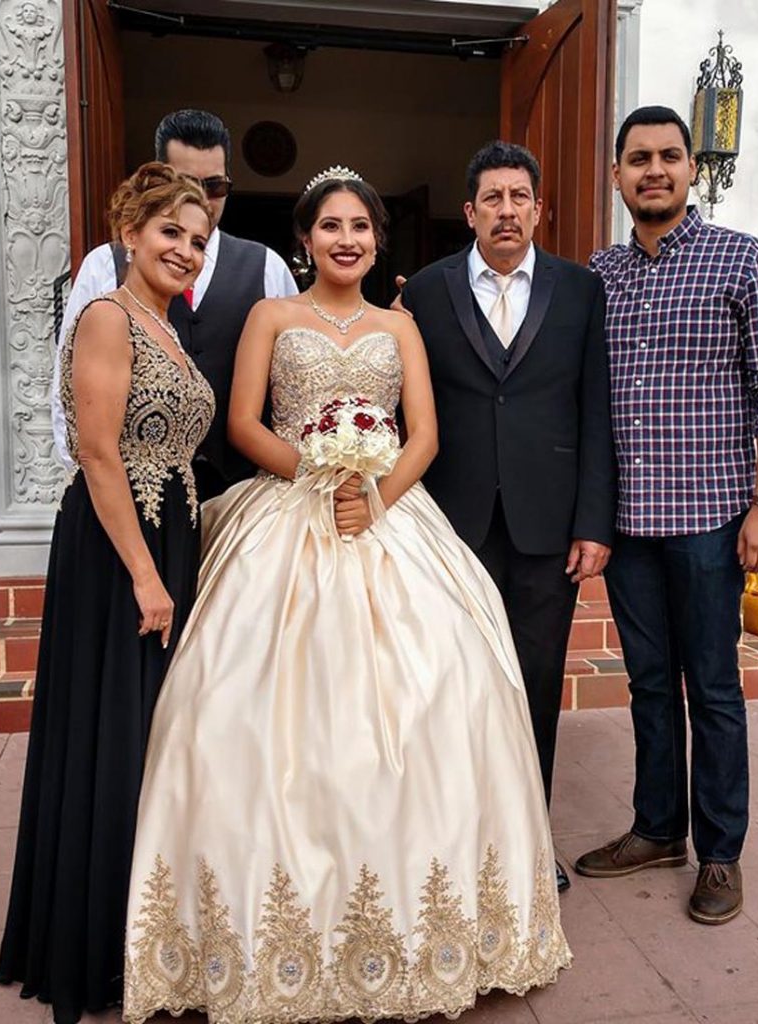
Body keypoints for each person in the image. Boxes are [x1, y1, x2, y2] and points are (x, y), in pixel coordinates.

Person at [121, 168, 571, 1024]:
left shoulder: (400, 327)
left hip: (391, 515)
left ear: (377, 239)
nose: (346, 239)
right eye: (330, 225)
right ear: (306, 237)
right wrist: (320, 476)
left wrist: (376, 493)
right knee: (239, 708)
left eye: (360, 225)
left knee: (448, 688)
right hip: (288, 512)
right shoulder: (270, 316)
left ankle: (429, 928)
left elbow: (426, 434)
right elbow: (245, 424)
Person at [0, 164, 215, 1022]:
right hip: (120, 552)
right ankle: (95, 949)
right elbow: (96, 452)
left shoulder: (164, 326)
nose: (185, 251)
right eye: (170, 233)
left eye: (196, 240)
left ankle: (147, 938)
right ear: (129, 233)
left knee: (152, 740)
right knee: (115, 737)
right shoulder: (106, 316)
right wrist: (147, 576)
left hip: (166, 540)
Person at [575, 107, 758, 925]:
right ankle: (657, 828)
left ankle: (720, 854)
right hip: (631, 523)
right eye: (638, 158)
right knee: (645, 685)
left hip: (711, 517)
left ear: (691, 169)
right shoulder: (597, 275)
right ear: (617, 175)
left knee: (711, 688)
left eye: (670, 156)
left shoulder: (739, 261)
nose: (655, 170)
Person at [400, 141, 617, 893]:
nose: (506, 210)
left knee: (534, 680)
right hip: (449, 525)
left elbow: (597, 412)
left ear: (539, 208)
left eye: (519, 197)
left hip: (546, 527)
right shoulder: (424, 294)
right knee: (450, 684)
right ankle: (453, 843)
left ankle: (527, 843)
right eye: (491, 198)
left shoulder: (581, 292)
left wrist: (594, 523)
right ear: (469, 212)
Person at [52, 108, 297, 501]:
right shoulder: (105, 265)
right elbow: (67, 393)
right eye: (187, 183)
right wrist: (88, 483)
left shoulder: (267, 266)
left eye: (214, 185)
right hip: (131, 496)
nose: (201, 198)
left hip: (242, 496)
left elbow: (291, 384)